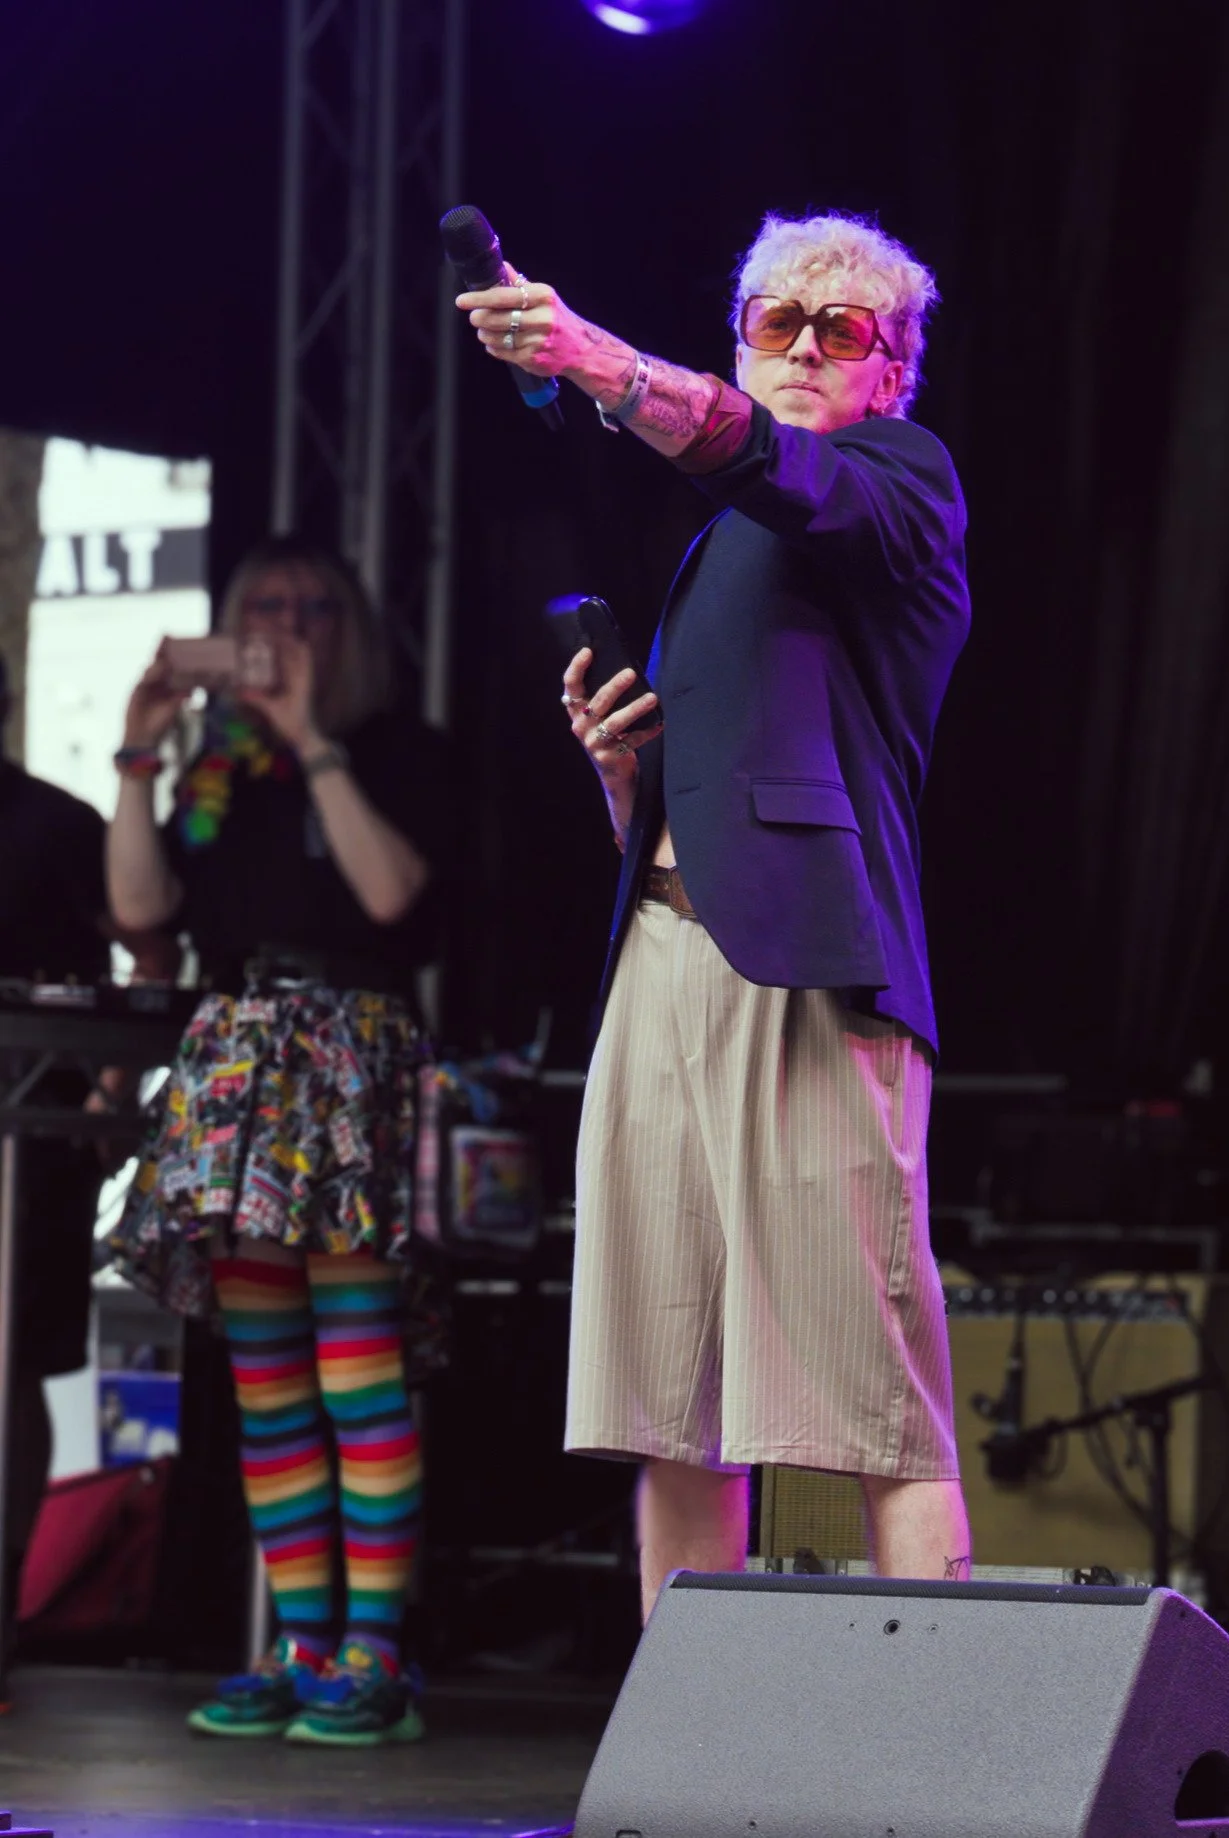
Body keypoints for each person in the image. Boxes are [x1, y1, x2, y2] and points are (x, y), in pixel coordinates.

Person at [458, 211, 973, 1619]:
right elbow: (707, 806)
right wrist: (627, 777)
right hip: (667, 954)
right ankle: (684, 1774)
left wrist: (595, 363)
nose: (805, 347)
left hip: (812, 968)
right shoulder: (721, 549)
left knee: (876, 1396)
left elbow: (765, 460)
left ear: (893, 367)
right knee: (661, 1393)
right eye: (774, 322)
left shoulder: (898, 484)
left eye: (843, 328)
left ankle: (939, 1772)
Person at [106, 537, 449, 1743]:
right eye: (264, 608)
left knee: (359, 1375)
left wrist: (314, 742)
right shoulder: (216, 771)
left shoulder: (397, 750)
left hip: (345, 1056)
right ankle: (305, 1647)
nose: (288, 626)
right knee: (268, 1391)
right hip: (236, 1067)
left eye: (313, 607)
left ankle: (376, 1655)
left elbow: (396, 897)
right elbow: (143, 914)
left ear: (349, 628)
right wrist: (142, 748)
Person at [0, 651, 122, 1702]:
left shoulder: (57, 822)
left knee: (18, 1364)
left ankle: (4, 1601)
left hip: (31, 1145)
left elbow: (118, 973)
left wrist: (110, 1101)